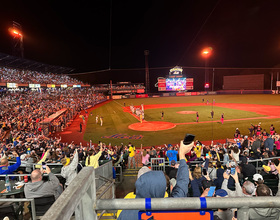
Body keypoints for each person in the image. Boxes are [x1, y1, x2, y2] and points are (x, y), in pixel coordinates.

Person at [117, 140, 193, 220]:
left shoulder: (124, 213)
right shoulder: (167, 208)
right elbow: (182, 184)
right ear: (157, 190)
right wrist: (182, 155)